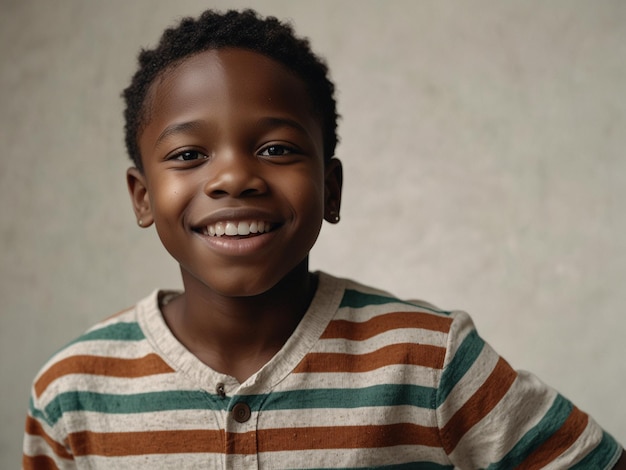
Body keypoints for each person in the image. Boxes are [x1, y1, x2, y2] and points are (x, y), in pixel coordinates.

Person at [22, 8, 624, 469]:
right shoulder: (74, 390)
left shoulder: (428, 360)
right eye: (189, 154)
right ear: (143, 196)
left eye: (277, 149)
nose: (233, 177)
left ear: (330, 188)